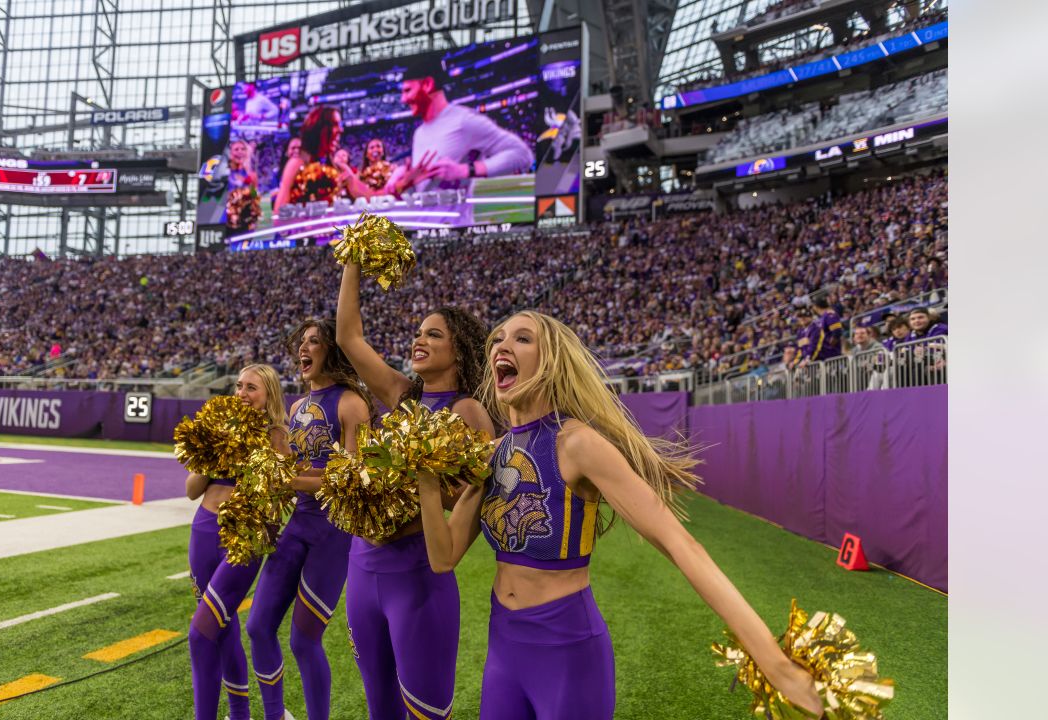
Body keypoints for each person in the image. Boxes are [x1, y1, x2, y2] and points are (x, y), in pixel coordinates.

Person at [415, 311, 823, 719]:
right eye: (498, 339)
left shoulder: (578, 443)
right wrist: (426, 480)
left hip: (568, 654)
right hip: (503, 648)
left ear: (552, 361)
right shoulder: (492, 453)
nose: (502, 346)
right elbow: (444, 556)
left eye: (522, 339)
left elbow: (680, 544)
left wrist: (773, 660)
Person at [335, 262, 496, 720]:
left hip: (417, 574)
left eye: (433, 335)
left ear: (460, 350)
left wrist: (410, 483)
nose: (418, 340)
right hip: (362, 568)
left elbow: (470, 499)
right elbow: (349, 339)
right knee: (379, 709)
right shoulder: (403, 394)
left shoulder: (469, 412)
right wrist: (353, 260)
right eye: (418, 332)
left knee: (426, 713)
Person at [246, 319, 373, 720]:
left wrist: (285, 477)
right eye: (302, 342)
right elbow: (289, 472)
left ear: (332, 351)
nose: (304, 348)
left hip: (333, 534)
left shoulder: (352, 403)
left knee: (304, 640)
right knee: (258, 626)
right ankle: (274, 715)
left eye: (314, 341)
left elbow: (352, 479)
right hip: (298, 525)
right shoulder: (298, 407)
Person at [187, 365, 291, 720]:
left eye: (252, 388)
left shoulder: (276, 435)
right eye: (239, 385)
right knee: (222, 628)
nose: (242, 393)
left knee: (200, 634)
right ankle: (239, 714)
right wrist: (214, 448)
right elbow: (191, 490)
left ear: (269, 396)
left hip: (243, 537)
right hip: (202, 529)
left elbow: (277, 498)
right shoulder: (220, 427)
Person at [384, 55, 534, 198]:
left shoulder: (463, 120)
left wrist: (466, 170)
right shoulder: (419, 133)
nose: (403, 100)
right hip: (424, 224)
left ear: (428, 85)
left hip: (457, 224)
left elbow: (522, 154)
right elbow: (423, 191)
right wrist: (404, 177)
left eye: (408, 90)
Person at [274, 107, 345, 212]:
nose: (340, 130)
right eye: (334, 124)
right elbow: (279, 213)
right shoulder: (296, 164)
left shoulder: (332, 165)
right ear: (319, 129)